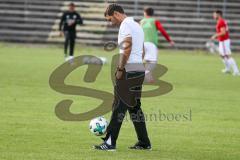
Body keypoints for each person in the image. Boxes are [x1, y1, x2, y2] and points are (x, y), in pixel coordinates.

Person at [94, 4, 151, 151]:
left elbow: (127, 47)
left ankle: (109, 143)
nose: (110, 23)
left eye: (110, 19)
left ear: (117, 14)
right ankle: (144, 142)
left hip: (128, 70)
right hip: (138, 68)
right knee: (134, 108)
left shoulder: (125, 25)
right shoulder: (136, 25)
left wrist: (120, 68)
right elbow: (143, 49)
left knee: (118, 107)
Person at [140, 7, 174, 82]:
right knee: (153, 62)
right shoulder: (155, 21)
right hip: (151, 43)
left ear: (145, 13)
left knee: (146, 60)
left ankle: (148, 76)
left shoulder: (142, 21)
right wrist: (169, 40)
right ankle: (145, 73)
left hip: (142, 44)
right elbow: (162, 30)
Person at [211, 10, 239, 76]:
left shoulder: (221, 22)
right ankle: (228, 69)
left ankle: (236, 71)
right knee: (221, 55)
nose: (213, 16)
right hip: (222, 41)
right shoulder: (220, 21)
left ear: (218, 15)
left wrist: (215, 35)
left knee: (227, 55)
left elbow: (223, 32)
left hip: (224, 41)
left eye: (214, 14)